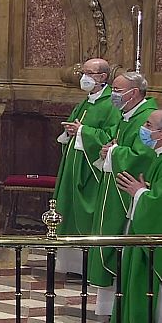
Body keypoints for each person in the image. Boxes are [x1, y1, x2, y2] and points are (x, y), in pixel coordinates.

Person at [90, 72, 156, 316]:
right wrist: (110, 148)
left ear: (134, 92)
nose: (113, 95)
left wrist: (115, 152)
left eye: (117, 90)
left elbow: (144, 155)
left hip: (129, 189)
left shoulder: (147, 117)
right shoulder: (129, 114)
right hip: (114, 184)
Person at [53, 58, 119, 275]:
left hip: (90, 170)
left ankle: (85, 265)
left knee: (84, 212)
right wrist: (71, 130)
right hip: (73, 164)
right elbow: (76, 125)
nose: (83, 77)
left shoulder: (111, 103)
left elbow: (112, 137)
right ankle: (68, 264)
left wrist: (83, 132)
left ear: (102, 77)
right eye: (83, 72)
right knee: (67, 207)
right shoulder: (87, 100)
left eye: (89, 73)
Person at [110, 110, 162, 323]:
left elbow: (161, 205)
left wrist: (140, 193)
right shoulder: (160, 156)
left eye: (147, 124)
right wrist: (144, 193)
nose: (143, 128)